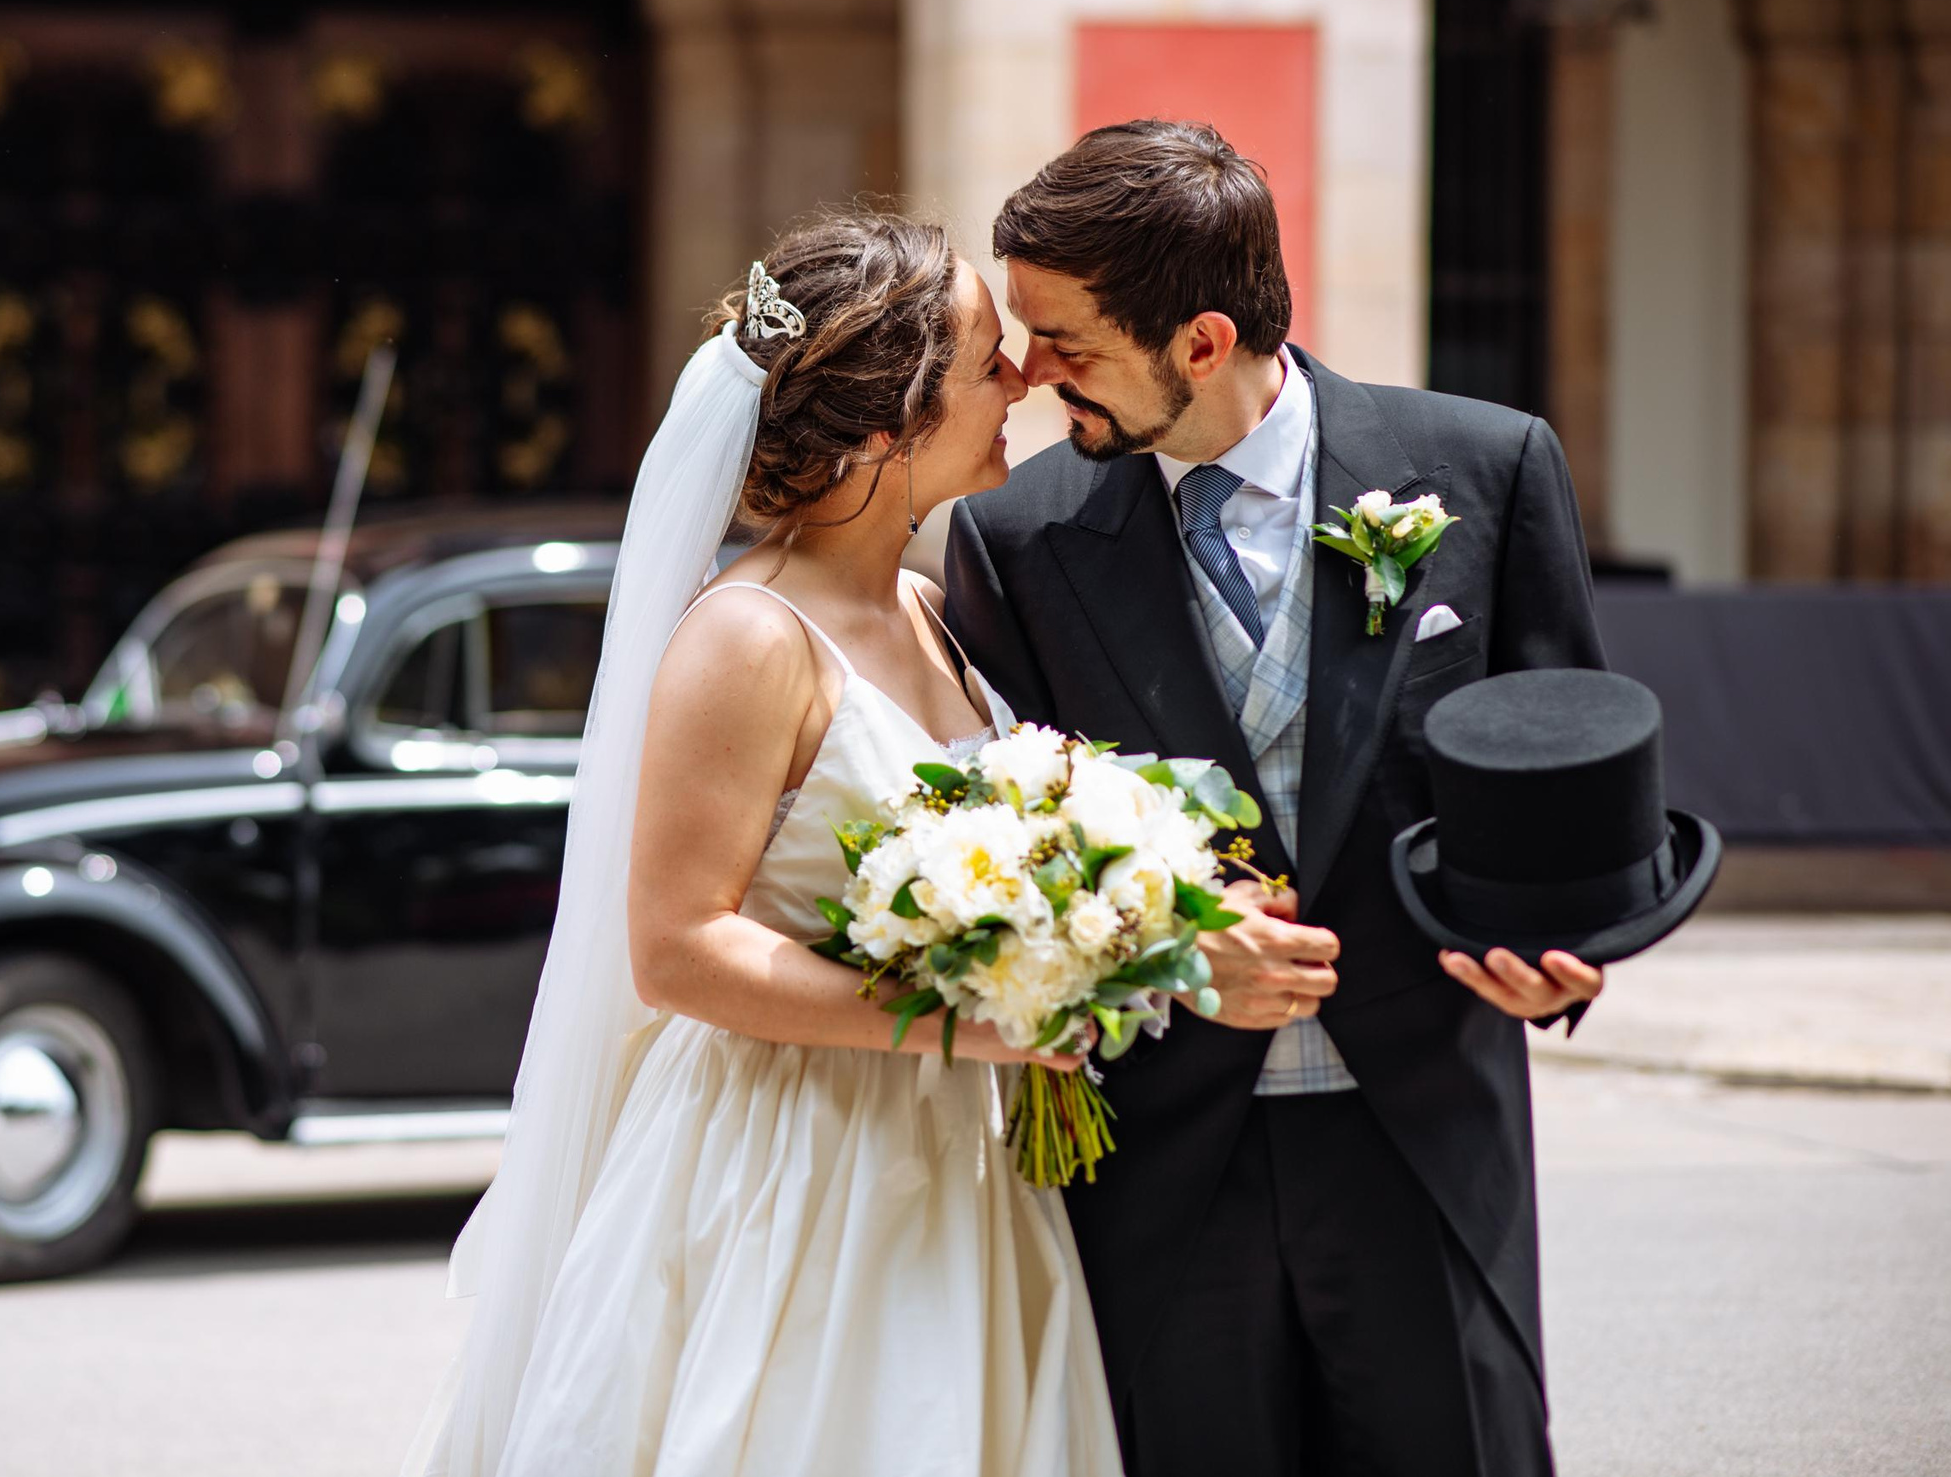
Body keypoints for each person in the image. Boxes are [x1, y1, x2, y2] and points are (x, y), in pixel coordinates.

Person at [408, 212, 1165, 1476]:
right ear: (886, 426)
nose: (1022, 380)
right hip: (793, 1162)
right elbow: (678, 950)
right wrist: (959, 1021)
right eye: (987, 362)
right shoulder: (749, 637)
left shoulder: (926, 606)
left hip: (958, 1152)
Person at [946, 118, 1607, 1477]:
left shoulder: (1488, 469)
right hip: (1165, 1163)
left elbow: (1564, 780)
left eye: (1063, 339)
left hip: (1421, 1141)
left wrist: (1568, 958)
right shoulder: (1014, 541)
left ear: (1198, 342)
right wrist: (1172, 952)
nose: (1025, 372)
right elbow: (998, 843)